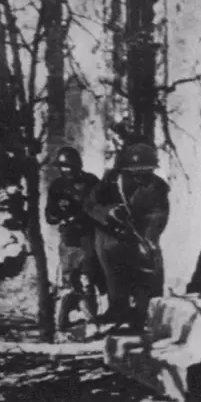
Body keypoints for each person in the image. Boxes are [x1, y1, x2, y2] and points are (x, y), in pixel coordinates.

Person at [83, 142, 170, 334]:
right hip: (110, 238)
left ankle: (143, 320)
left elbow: (159, 214)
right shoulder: (111, 183)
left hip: (140, 238)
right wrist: (109, 212)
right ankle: (117, 315)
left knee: (148, 278)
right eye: (135, 173)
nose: (140, 177)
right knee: (116, 280)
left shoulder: (158, 187)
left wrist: (150, 238)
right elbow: (90, 205)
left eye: (145, 172)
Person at [45, 146, 104, 342]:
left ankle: (92, 322)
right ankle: (60, 326)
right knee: (68, 283)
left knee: (86, 281)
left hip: (88, 237)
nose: (65, 170)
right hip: (68, 240)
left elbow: (99, 209)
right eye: (62, 167)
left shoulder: (91, 182)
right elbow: (50, 214)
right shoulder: (57, 186)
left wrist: (81, 217)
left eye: (68, 166)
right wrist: (57, 217)